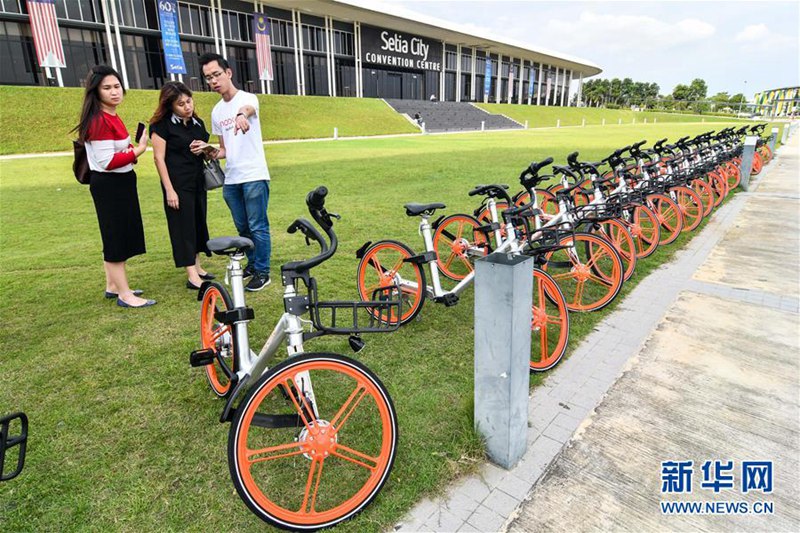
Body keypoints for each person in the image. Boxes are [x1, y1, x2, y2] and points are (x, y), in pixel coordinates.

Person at [73, 65, 154, 308]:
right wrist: (139, 149)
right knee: (115, 237)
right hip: (110, 185)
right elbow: (107, 162)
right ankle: (125, 294)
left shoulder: (111, 115)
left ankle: (113, 285)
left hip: (121, 182)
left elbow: (116, 153)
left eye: (117, 86)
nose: (114, 92)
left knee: (117, 234)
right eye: (107, 88)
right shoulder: (99, 120)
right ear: (96, 92)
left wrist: (132, 152)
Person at [194, 52, 271, 291]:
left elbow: (248, 109)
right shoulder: (217, 111)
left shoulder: (248, 98)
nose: (213, 81)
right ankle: (252, 263)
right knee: (243, 227)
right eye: (208, 78)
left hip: (254, 175)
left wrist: (240, 115)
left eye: (216, 74)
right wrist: (209, 150)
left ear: (228, 73)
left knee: (258, 226)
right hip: (232, 178)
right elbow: (224, 150)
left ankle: (262, 271)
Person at [149, 81, 214, 290]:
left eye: (189, 101)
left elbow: (208, 153)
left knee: (196, 223)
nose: (187, 106)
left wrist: (204, 148)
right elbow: (159, 159)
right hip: (177, 184)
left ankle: (197, 265)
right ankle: (191, 275)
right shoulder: (162, 126)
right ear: (170, 106)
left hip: (197, 182)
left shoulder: (197, 123)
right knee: (182, 227)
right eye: (180, 104)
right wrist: (169, 190)